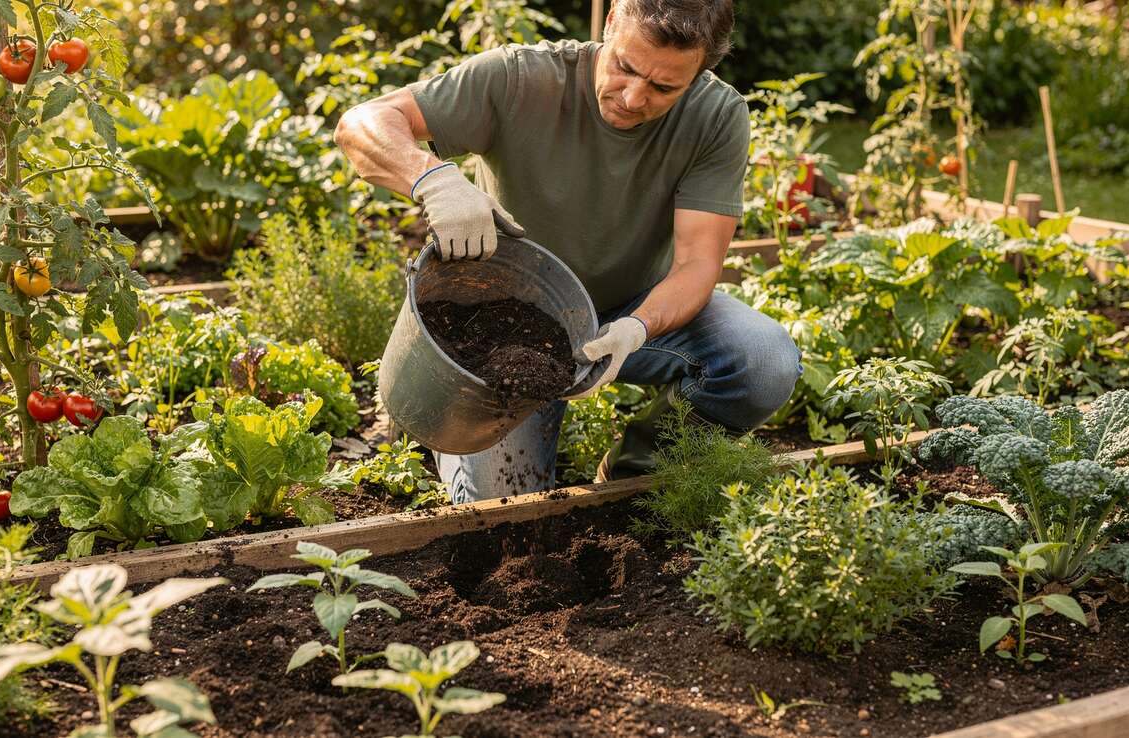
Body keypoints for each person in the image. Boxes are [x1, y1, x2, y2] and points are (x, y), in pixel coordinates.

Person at [335, 0, 801, 503]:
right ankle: (442, 422)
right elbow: (363, 123)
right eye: (625, 66)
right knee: (503, 507)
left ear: (700, 73)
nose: (632, 95)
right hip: (505, 327)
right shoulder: (522, 79)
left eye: (664, 88)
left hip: (627, 310)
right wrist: (433, 179)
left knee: (763, 361)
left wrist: (638, 327)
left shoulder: (715, 116)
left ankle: (633, 475)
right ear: (612, 21)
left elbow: (697, 265)